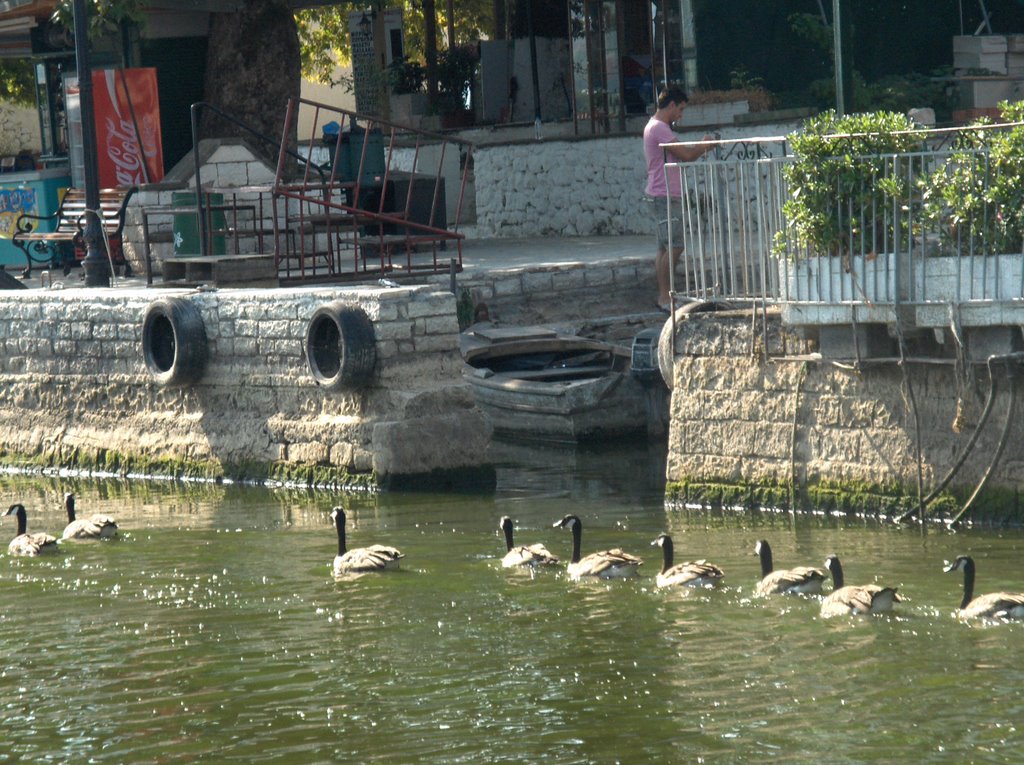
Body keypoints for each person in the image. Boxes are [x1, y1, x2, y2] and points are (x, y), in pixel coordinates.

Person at [643, 87, 714, 312]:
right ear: (671, 105)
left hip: (661, 193)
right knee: (676, 245)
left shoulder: (654, 126)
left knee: (664, 248)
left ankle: (665, 297)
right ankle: (665, 298)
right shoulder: (660, 128)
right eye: (680, 109)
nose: (681, 115)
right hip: (663, 195)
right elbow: (686, 155)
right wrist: (704, 146)